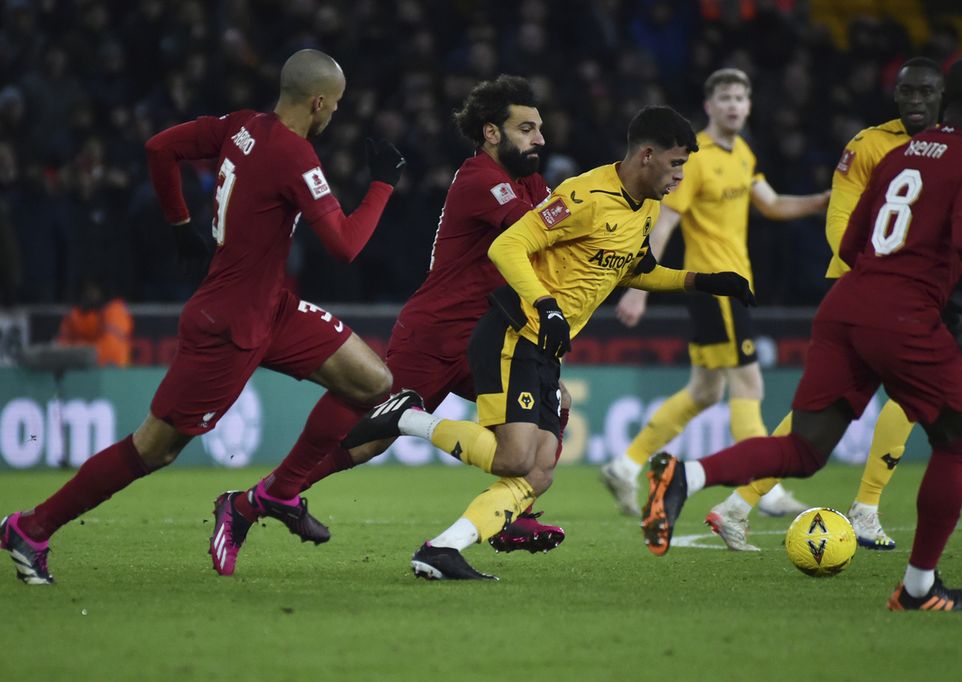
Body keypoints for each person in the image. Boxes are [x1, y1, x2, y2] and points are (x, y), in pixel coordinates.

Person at [0, 49, 406, 584]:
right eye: (336, 106)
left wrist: (179, 223)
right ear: (319, 101)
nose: (334, 116)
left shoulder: (241, 126)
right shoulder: (297, 155)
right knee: (155, 448)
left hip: (271, 307)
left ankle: (274, 495)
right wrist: (383, 185)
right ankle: (30, 528)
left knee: (374, 382)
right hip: (229, 326)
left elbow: (159, 148)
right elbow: (345, 246)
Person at [642, 58, 962, 612]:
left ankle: (684, 475)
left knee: (804, 448)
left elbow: (848, 244)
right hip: (904, 313)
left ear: (944, 100)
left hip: (847, 304)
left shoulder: (895, 156)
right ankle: (918, 587)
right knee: (958, 440)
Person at [344, 105, 755, 580]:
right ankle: (407, 417)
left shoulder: (647, 207)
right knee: (516, 457)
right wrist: (546, 304)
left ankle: (443, 548)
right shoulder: (583, 195)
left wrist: (702, 282)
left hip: (546, 347)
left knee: (538, 473)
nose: (681, 175)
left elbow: (637, 271)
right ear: (647, 155)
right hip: (513, 333)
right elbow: (507, 246)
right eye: (676, 163)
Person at [281, 75, 568, 555]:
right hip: (435, 336)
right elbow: (536, 232)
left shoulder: (527, 179)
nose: (540, 138)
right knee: (369, 440)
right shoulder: (480, 178)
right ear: (491, 132)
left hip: (487, 339)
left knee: (552, 405)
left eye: (539, 128)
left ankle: (513, 514)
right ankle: (265, 496)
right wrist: (589, 205)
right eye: (526, 128)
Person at [601, 68, 828, 519]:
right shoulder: (695, 160)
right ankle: (766, 490)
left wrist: (825, 199)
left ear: (748, 105)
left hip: (730, 287)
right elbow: (666, 221)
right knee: (749, 382)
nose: (733, 105)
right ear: (709, 106)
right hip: (714, 286)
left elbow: (773, 204)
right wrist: (639, 286)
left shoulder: (743, 152)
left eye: (741, 98)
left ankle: (624, 467)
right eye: (725, 97)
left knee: (705, 391)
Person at [56, 279, 134, 367]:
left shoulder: (115, 311)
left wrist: (78, 352)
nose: (89, 293)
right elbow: (60, 347)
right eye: (86, 289)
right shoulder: (75, 314)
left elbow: (111, 351)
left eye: (93, 289)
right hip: (80, 371)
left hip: (113, 372)